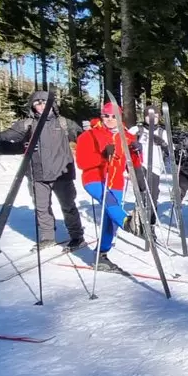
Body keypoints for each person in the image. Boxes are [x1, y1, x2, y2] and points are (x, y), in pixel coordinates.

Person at [0, 91, 85, 251]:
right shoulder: (26, 124)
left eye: (44, 102)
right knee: (41, 208)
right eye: (37, 103)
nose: (40, 106)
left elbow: (84, 140)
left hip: (62, 174)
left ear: (52, 104)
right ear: (32, 106)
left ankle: (77, 236)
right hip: (37, 174)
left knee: (68, 206)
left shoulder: (64, 123)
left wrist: (90, 131)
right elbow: (2, 137)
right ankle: (47, 238)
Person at [75, 103, 144, 270]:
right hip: (94, 179)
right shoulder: (90, 135)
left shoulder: (127, 137)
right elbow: (82, 162)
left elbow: (132, 164)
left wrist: (137, 152)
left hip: (116, 182)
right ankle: (127, 222)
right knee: (111, 204)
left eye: (114, 116)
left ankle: (102, 253)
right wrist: (103, 156)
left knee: (110, 219)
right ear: (101, 116)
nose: (110, 120)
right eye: (107, 116)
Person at [127, 105, 169, 234]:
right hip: (139, 165)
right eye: (148, 116)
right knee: (142, 193)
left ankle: (150, 225)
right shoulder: (137, 129)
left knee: (153, 197)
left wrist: (162, 143)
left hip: (155, 168)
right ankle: (139, 222)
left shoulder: (162, 132)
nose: (151, 119)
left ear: (159, 118)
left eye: (155, 116)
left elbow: (170, 151)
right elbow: (123, 139)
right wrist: (132, 144)